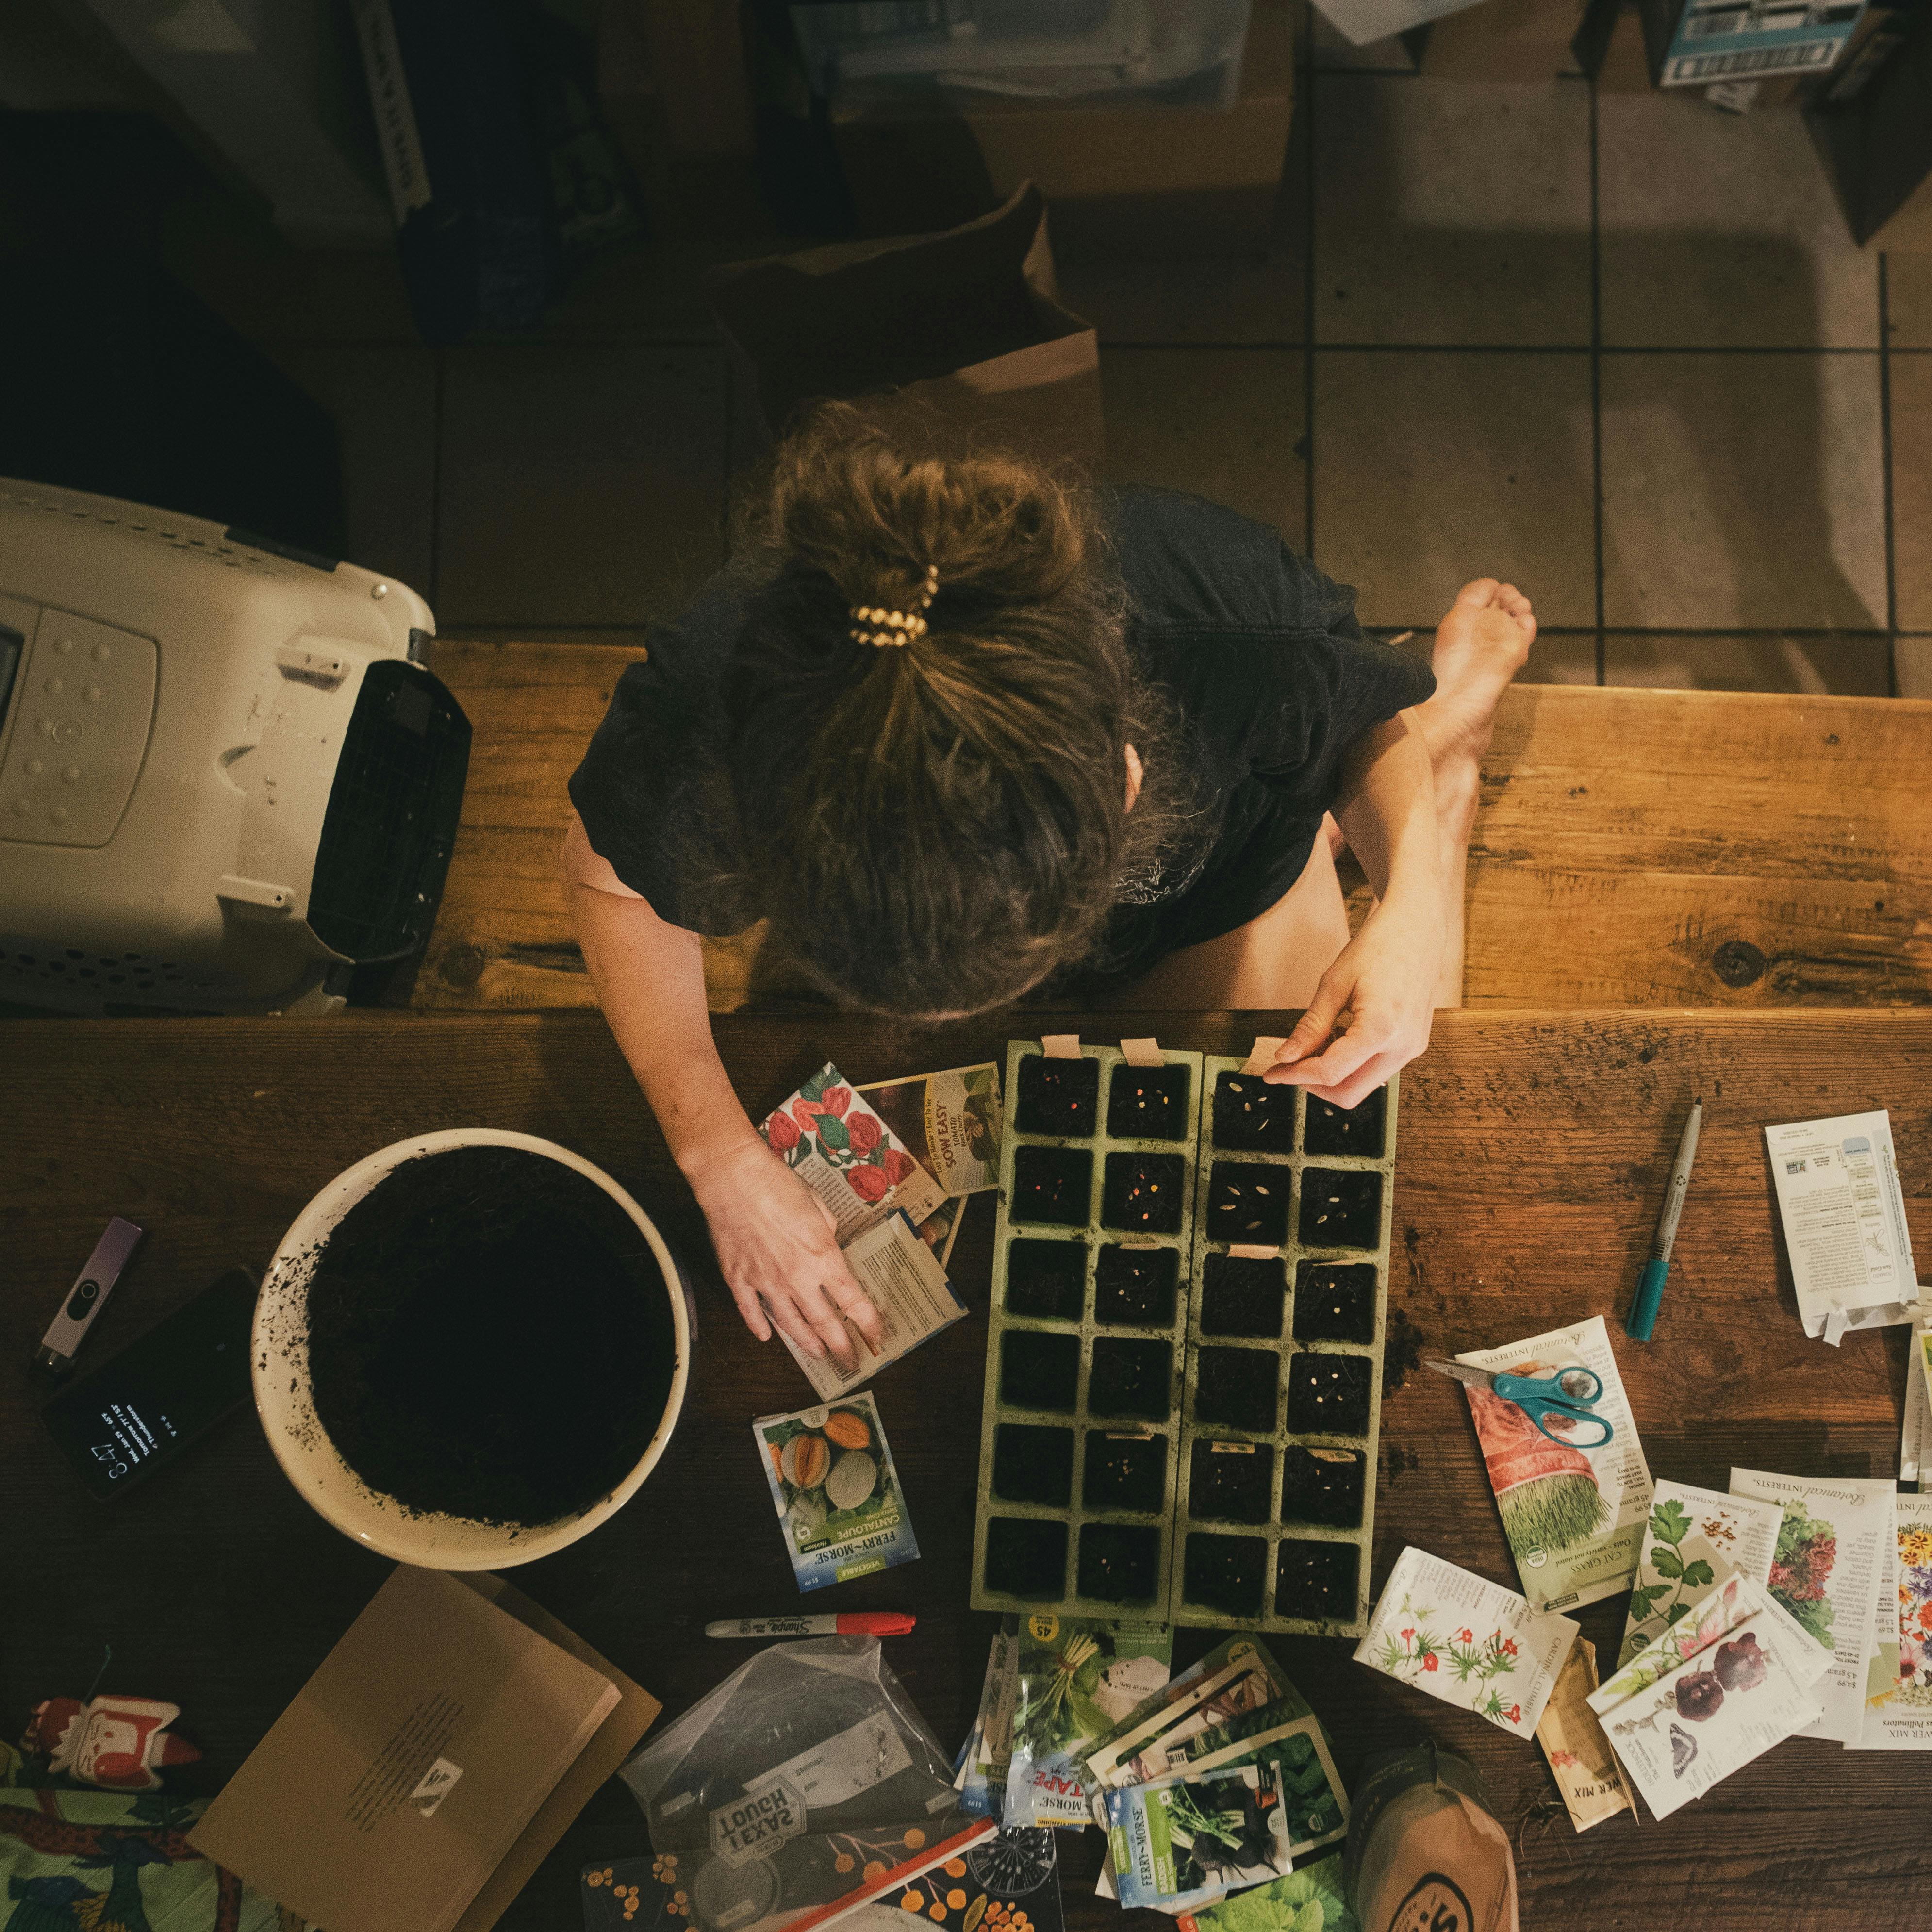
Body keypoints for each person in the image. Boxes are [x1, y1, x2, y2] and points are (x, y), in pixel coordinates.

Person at [564, 405, 1535, 1374]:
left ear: (1125, 779)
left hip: (1218, 876)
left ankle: (1445, 757)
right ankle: (1384, 796)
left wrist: (1407, 897)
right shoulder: (713, 715)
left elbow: (1364, 731)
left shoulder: (1236, 626)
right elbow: (612, 888)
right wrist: (717, 1158)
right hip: (1215, 788)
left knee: (1328, 1134)